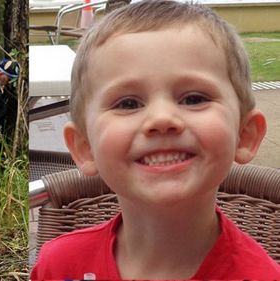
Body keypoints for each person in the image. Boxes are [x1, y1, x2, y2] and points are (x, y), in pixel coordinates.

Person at [31, 1, 280, 279]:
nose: (162, 118)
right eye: (128, 103)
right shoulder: (59, 267)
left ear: (245, 135)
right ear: (85, 147)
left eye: (194, 98)